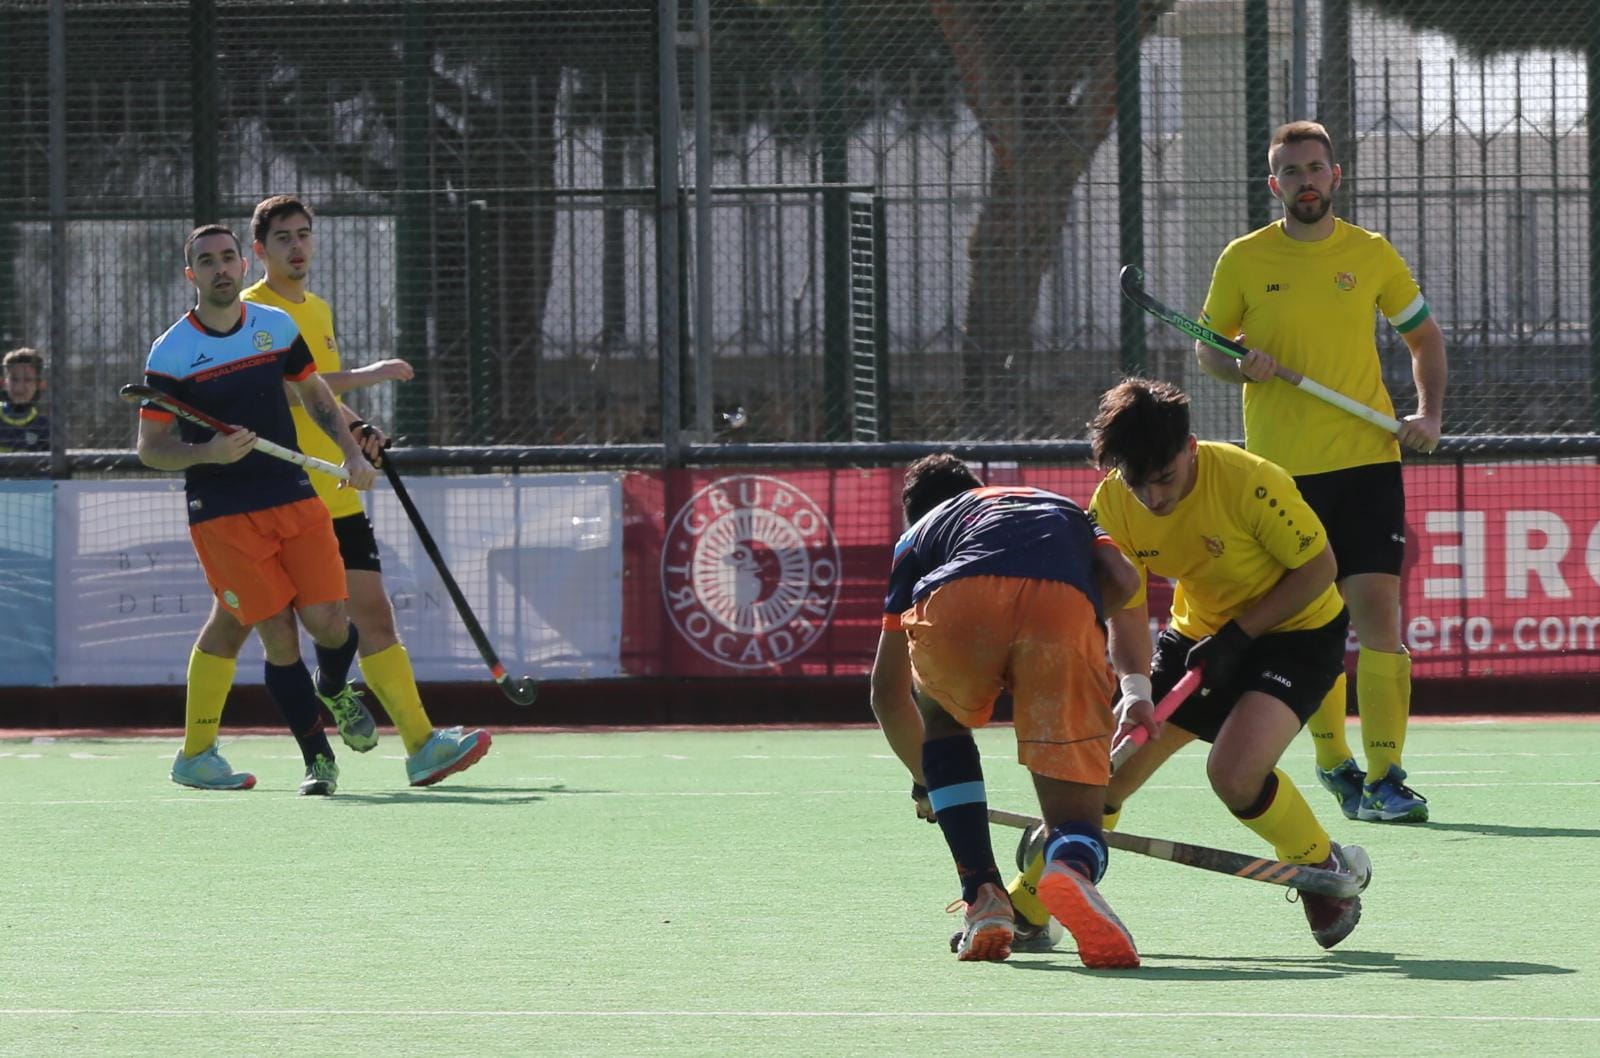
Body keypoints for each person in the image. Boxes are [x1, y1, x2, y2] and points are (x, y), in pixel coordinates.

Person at [1008, 378, 1370, 950]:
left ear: (1191, 448)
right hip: (1197, 637)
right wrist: (1133, 687)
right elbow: (1126, 609)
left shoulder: (1251, 483)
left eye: (1165, 478)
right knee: (1099, 778)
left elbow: (1319, 569)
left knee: (1233, 774)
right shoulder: (1114, 504)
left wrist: (1240, 634)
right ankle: (1027, 910)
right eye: (1137, 481)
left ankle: (1324, 873)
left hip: (1296, 632)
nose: (1152, 497)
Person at [178, 193, 492, 789]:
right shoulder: (249, 311)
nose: (297, 247)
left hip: (336, 486)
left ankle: (421, 745)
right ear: (258, 252)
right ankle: (199, 750)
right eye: (283, 239)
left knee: (369, 614)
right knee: (239, 626)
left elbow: (318, 395)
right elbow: (293, 388)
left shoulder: (314, 309)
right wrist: (370, 376)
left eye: (304, 234)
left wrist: (355, 429)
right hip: (275, 493)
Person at [1195, 119, 1446, 824]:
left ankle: (1388, 775)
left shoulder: (1368, 254)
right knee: (1315, 622)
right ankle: (1335, 762)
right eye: (1291, 171)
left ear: (1336, 177)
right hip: (1280, 475)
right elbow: (1208, 350)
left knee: (1378, 612)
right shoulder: (1244, 259)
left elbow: (1424, 336)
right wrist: (1238, 361)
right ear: (1275, 185)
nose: (1306, 180)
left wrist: (1427, 414)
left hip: (1368, 458)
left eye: (1316, 167)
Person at [869, 454, 1146, 967]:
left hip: (957, 603)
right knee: (1075, 817)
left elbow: (886, 693)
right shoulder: (1057, 506)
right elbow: (1125, 581)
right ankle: (1070, 863)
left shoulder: (920, 534)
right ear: (980, 487)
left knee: (942, 717)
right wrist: (1072, 623)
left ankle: (985, 898)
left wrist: (926, 780)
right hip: (1062, 605)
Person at [140, 223, 378, 796]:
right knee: (276, 635)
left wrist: (351, 451)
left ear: (242, 267)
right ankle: (317, 760)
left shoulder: (274, 327)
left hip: (294, 494)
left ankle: (335, 685)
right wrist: (210, 452)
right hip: (223, 511)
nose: (220, 268)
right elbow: (152, 449)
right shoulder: (171, 352)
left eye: (228, 257)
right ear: (190, 273)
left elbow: (316, 396)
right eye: (207, 260)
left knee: (330, 623)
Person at [0, 347, 49, 453]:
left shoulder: (44, 428)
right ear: (3, 383)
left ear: (40, 385)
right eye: (14, 379)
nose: (19, 387)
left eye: (28, 380)